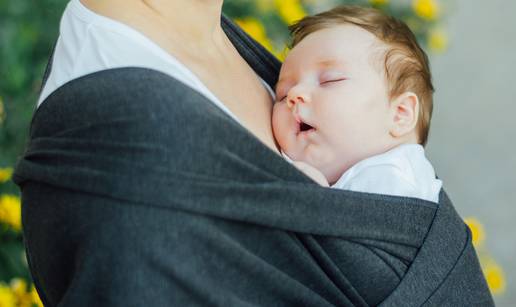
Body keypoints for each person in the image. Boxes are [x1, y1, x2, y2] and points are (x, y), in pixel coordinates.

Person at [12, 1, 493, 306]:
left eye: (328, 81)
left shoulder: (213, 35)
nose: (296, 97)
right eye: (286, 91)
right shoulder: (133, 147)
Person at [272, 6, 443, 204]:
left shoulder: (397, 182)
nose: (294, 94)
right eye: (282, 94)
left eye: (330, 80)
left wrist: (319, 203)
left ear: (400, 114)